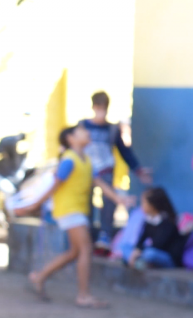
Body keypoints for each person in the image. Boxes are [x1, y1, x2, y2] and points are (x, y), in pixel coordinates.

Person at [28, 125, 132, 308]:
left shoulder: (86, 160)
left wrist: (118, 198)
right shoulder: (69, 161)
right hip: (69, 210)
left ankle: (41, 276)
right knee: (86, 249)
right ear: (71, 138)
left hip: (77, 211)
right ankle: (83, 295)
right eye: (81, 132)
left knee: (75, 252)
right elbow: (54, 185)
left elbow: (99, 182)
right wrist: (34, 205)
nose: (87, 133)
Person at [78, 91, 151, 248]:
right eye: (98, 107)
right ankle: (88, 234)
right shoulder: (83, 126)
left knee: (109, 201)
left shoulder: (112, 129)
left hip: (105, 170)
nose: (101, 111)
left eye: (104, 108)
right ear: (93, 107)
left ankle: (105, 234)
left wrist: (137, 169)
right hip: (86, 170)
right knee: (86, 202)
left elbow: (125, 151)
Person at [126, 187, 186, 270]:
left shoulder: (167, 222)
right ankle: (138, 262)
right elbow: (140, 241)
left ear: (153, 205)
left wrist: (139, 251)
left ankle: (139, 262)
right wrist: (136, 250)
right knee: (125, 247)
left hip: (168, 259)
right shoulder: (148, 220)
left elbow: (158, 245)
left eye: (144, 203)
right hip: (149, 252)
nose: (142, 206)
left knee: (150, 253)